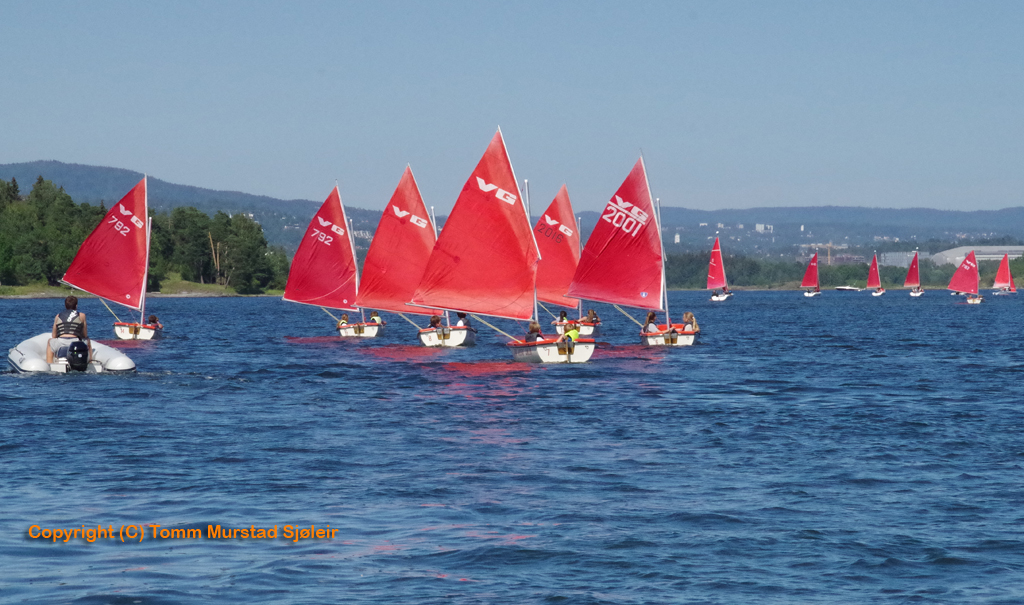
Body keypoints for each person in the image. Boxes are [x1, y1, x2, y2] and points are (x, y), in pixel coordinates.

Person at [47, 295, 90, 363]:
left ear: (65, 306)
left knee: (50, 342)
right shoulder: (82, 315)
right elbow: (85, 334)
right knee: (87, 340)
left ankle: (49, 363)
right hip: (75, 342)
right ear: (76, 306)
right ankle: (89, 362)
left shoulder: (58, 316)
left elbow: (54, 336)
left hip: (61, 342)